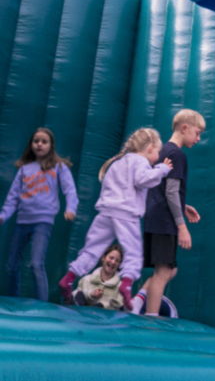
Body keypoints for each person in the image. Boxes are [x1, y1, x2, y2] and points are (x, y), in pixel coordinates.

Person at [59, 128, 172, 310]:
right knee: (134, 252)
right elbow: (143, 179)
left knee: (91, 250)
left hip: (105, 212)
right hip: (126, 214)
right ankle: (126, 285)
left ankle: (69, 277)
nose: (157, 157)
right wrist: (162, 169)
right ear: (150, 148)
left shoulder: (117, 163)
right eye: (157, 152)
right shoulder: (141, 161)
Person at [131, 109, 205, 316]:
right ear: (184, 128)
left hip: (154, 217)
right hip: (164, 221)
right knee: (163, 272)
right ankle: (151, 319)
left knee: (170, 269)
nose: (198, 138)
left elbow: (161, 188)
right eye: (197, 133)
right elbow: (171, 192)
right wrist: (182, 227)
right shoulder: (177, 155)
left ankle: (139, 300)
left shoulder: (162, 152)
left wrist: (183, 205)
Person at [0, 127, 78, 302]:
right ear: (31, 145)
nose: (40, 144)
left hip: (43, 221)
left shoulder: (57, 167)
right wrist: (3, 216)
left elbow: (70, 190)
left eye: (44, 141)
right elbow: (12, 198)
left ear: (51, 145)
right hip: (22, 221)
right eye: (36, 141)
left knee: (36, 264)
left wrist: (71, 209)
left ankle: (42, 305)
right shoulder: (24, 169)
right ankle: (13, 302)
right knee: (11, 266)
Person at [72, 243, 124, 309]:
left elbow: (119, 306)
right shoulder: (85, 280)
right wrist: (91, 295)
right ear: (103, 257)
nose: (113, 262)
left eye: (117, 261)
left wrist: (102, 307)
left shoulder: (121, 287)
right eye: (111, 258)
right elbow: (75, 298)